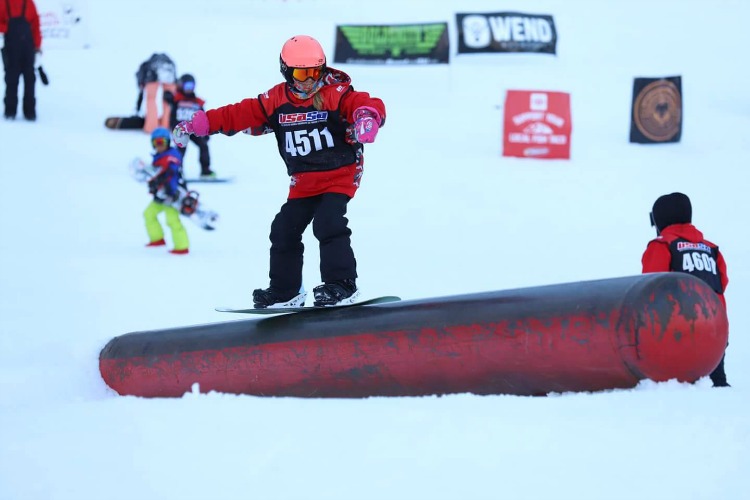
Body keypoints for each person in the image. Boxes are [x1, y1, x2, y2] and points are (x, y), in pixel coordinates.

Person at [173, 34, 385, 308]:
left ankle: (341, 284)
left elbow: (364, 102)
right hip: (303, 181)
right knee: (284, 229)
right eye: (301, 73)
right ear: (286, 70)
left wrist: (367, 117)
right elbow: (238, 114)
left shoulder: (335, 93)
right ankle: (286, 291)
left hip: (340, 173)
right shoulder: (274, 100)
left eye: (314, 72)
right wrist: (198, 124)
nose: (309, 80)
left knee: (328, 222)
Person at [641, 192, 730, 387]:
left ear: (659, 221)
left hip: (677, 333)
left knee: (679, 388)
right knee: (717, 385)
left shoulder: (662, 245)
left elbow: (649, 286)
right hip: (716, 334)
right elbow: (722, 283)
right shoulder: (712, 249)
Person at [144, 127, 190, 255]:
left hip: (172, 195)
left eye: (162, 142)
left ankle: (182, 246)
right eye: (156, 143)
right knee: (149, 214)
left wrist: (166, 176)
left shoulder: (172, 155)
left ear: (167, 142)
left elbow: (173, 166)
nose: (159, 146)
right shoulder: (158, 157)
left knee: (172, 220)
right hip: (161, 194)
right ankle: (157, 238)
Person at [167, 73, 215, 179]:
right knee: (181, 149)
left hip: (193, 130)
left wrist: (206, 132)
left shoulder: (197, 102)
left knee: (204, 145)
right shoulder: (177, 99)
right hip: (181, 130)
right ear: (181, 86)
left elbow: (203, 117)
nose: (189, 89)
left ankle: (205, 170)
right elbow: (168, 97)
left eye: (191, 86)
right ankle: (178, 171)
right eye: (187, 86)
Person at [0, 0, 42, 121]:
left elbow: (36, 24)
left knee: (29, 79)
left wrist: (37, 45)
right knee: (12, 80)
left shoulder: (29, 3)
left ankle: (29, 112)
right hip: (11, 49)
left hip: (28, 48)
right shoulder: (3, 3)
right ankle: (10, 111)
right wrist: (6, 27)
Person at [135, 53, 176, 133]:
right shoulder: (169, 62)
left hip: (151, 75)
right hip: (170, 74)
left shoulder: (145, 67)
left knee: (151, 100)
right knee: (168, 101)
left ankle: (151, 127)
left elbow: (141, 92)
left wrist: (138, 108)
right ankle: (165, 125)